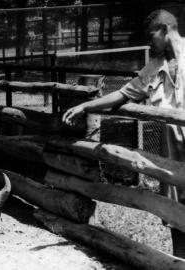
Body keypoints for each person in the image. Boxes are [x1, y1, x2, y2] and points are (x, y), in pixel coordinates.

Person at [63, 9, 185, 258]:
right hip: (171, 154)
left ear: (164, 29)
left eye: (152, 35)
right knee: (175, 214)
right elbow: (122, 94)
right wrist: (86, 105)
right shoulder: (154, 67)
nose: (149, 42)